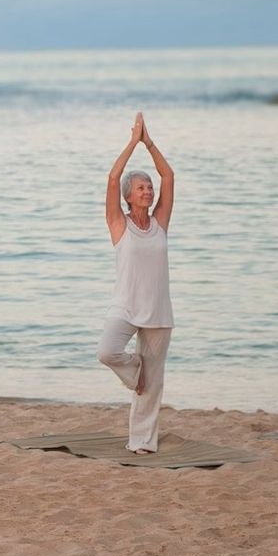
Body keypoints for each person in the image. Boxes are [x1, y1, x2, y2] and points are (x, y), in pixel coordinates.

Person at [97, 112, 175, 454]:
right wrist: (132, 143)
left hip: (157, 310)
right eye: (142, 188)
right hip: (126, 306)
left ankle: (142, 443)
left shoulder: (159, 222)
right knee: (107, 351)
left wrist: (150, 142)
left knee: (152, 386)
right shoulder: (119, 224)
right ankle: (134, 370)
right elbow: (113, 178)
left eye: (149, 187)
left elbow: (169, 175)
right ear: (129, 196)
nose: (149, 191)